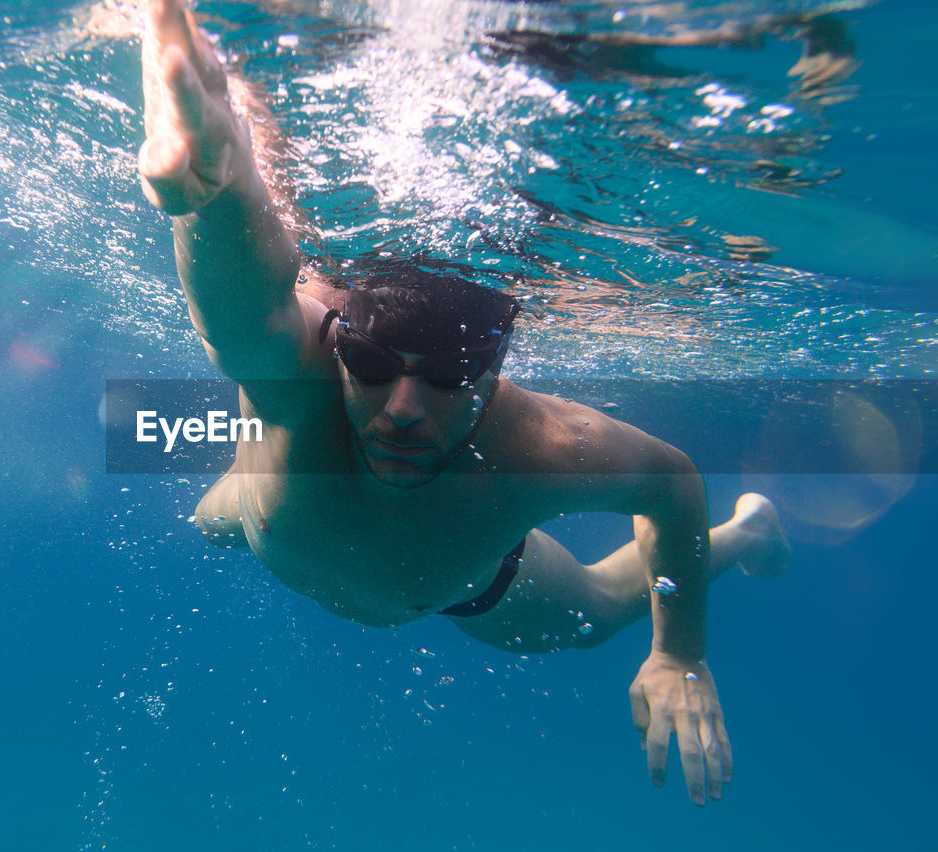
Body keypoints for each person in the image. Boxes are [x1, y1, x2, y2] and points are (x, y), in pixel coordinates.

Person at [136, 0, 789, 807]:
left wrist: (679, 652)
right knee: (210, 519)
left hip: (467, 586)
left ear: (490, 374)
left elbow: (675, 485)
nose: (404, 408)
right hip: (255, 510)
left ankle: (752, 532)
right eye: (372, 364)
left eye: (447, 378)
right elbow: (244, 309)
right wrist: (214, 186)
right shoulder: (301, 374)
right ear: (342, 345)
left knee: (599, 612)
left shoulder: (545, 448)